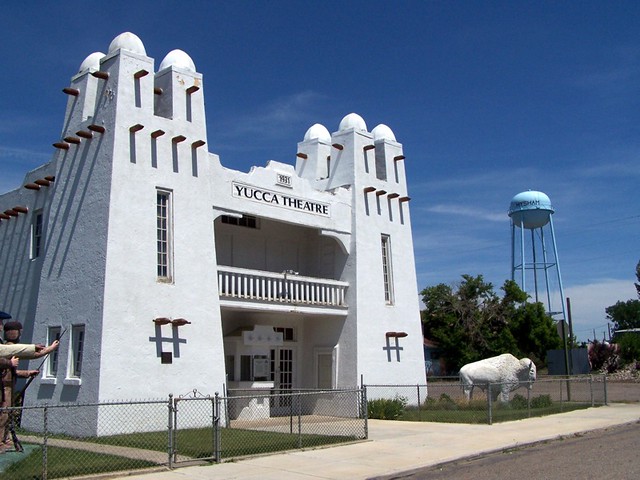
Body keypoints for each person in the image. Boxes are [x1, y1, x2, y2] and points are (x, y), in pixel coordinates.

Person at [0, 320, 58, 453]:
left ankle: (5, 439)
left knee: (7, 415)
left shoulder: (8, 348)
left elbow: (13, 372)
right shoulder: (7, 349)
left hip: (9, 386)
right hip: (4, 388)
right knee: (3, 415)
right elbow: (32, 354)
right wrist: (49, 349)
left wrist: (27, 373)